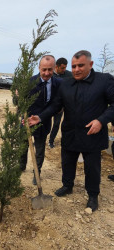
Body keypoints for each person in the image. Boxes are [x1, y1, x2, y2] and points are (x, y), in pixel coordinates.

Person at [28, 50, 114, 211]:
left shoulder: (104, 81)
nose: (76, 70)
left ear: (91, 64)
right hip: (70, 132)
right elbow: (55, 106)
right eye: (74, 66)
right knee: (67, 163)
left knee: (92, 167)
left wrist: (101, 121)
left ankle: (93, 196)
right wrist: (40, 117)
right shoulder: (66, 83)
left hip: (92, 134)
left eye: (81, 65)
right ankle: (67, 186)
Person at [20, 55, 61, 185]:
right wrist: (18, 97)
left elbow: (57, 104)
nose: (47, 73)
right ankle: (21, 166)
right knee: (23, 147)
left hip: (43, 122)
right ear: (39, 68)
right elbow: (19, 102)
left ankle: (36, 173)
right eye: (44, 69)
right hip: (27, 121)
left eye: (50, 69)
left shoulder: (58, 83)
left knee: (39, 151)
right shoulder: (29, 82)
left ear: (54, 68)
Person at [48, 58, 72, 148]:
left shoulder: (69, 75)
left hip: (61, 106)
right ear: (56, 67)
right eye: (62, 68)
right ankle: (40, 139)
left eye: (65, 67)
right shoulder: (49, 74)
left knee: (57, 124)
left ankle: (51, 141)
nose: (64, 70)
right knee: (45, 121)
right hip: (49, 105)